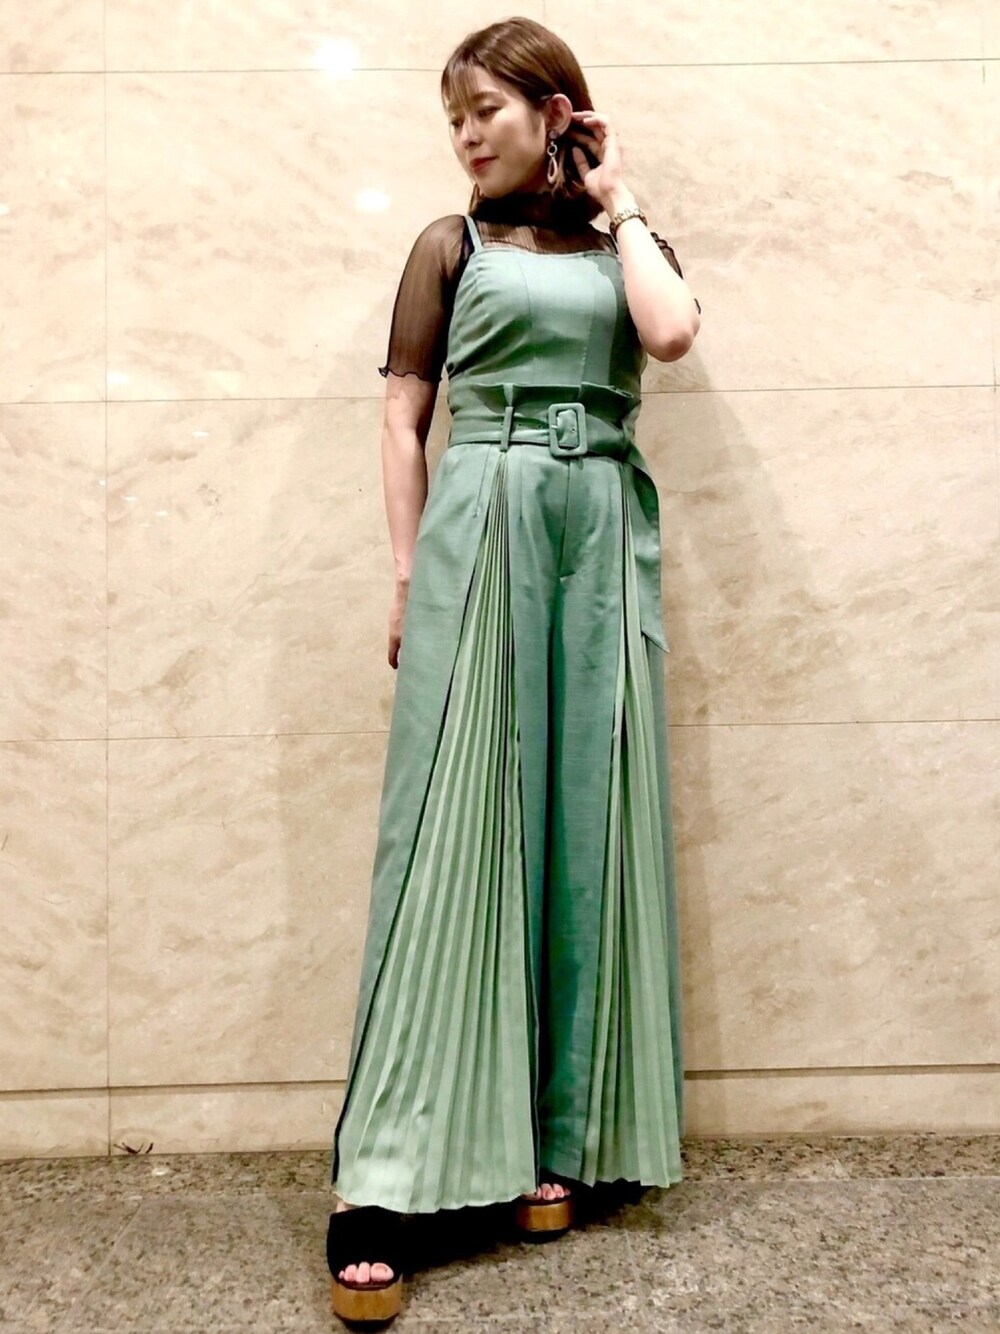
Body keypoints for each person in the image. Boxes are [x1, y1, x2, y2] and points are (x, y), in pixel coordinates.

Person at [325, 16, 701, 1328]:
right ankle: (386, 1178)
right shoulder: (450, 245)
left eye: (486, 109)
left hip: (598, 532)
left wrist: (621, 196)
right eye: (454, 118)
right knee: (453, 832)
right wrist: (405, 573)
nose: (467, 136)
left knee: (586, 828)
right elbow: (403, 415)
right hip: (479, 519)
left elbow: (669, 337)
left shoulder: (623, 243)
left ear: (556, 111)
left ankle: (561, 1138)